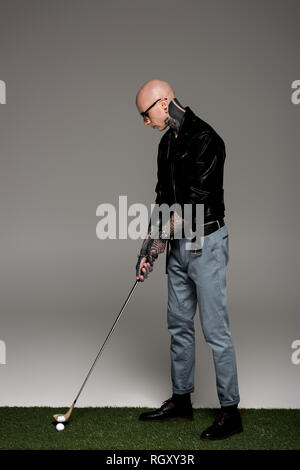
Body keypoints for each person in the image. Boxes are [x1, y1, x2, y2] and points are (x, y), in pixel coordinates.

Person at [135, 79, 243, 440]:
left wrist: (162, 238)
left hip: (206, 242)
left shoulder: (206, 139)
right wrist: (147, 249)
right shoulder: (167, 143)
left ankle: (231, 412)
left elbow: (197, 206)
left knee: (216, 331)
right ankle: (182, 402)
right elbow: (163, 200)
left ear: (164, 103)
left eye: (145, 114)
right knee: (178, 324)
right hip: (179, 248)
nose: (145, 122)